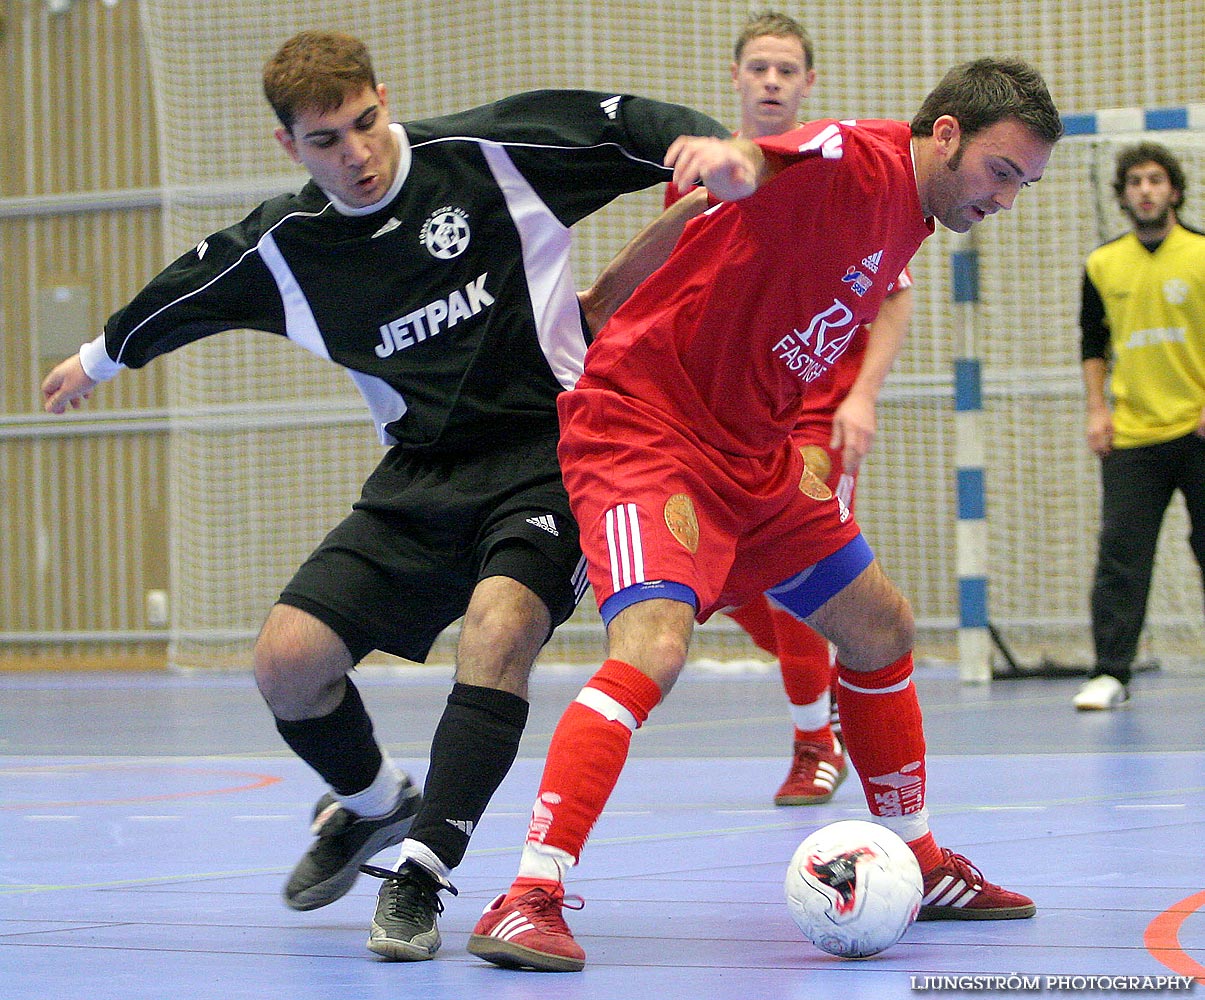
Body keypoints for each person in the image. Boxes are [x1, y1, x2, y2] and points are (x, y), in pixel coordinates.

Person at [40, 29, 731, 962]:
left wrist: (701, 143)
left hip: (553, 452)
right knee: (287, 663)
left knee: (499, 628)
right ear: (290, 146)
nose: (356, 154)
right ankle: (375, 803)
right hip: (417, 479)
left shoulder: (489, 158)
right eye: (326, 140)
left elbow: (620, 124)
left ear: (384, 97)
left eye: (366, 123)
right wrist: (96, 359)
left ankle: (421, 870)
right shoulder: (291, 250)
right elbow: (186, 290)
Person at [465, 56, 1063, 972]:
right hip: (645, 429)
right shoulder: (859, 159)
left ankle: (918, 855)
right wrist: (731, 159)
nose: (1005, 200)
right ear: (945, 134)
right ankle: (528, 893)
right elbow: (750, 171)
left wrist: (607, 289)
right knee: (654, 647)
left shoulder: (911, 218)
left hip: (754, 452)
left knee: (878, 624)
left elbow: (704, 215)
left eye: (1021, 185)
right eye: (1000, 173)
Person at [666, 9, 916, 805]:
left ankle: (816, 743)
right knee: (726, 586)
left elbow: (895, 296)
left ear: (806, 83)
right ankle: (840, 692)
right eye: (758, 68)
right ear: (736, 78)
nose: (771, 81)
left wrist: (863, 398)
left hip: (813, 408)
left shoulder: (835, 166)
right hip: (727, 416)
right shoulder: (695, 178)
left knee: (800, 568)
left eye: (786, 70)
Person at [1075, 142, 1205, 711]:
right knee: (1122, 554)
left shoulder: (1201, 253)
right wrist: (1097, 410)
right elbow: (1092, 344)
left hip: (1198, 429)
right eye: (1134, 182)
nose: (1146, 190)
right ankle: (1110, 672)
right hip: (1133, 434)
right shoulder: (1103, 264)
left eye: (1156, 180)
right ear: (1123, 195)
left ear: (1174, 190)